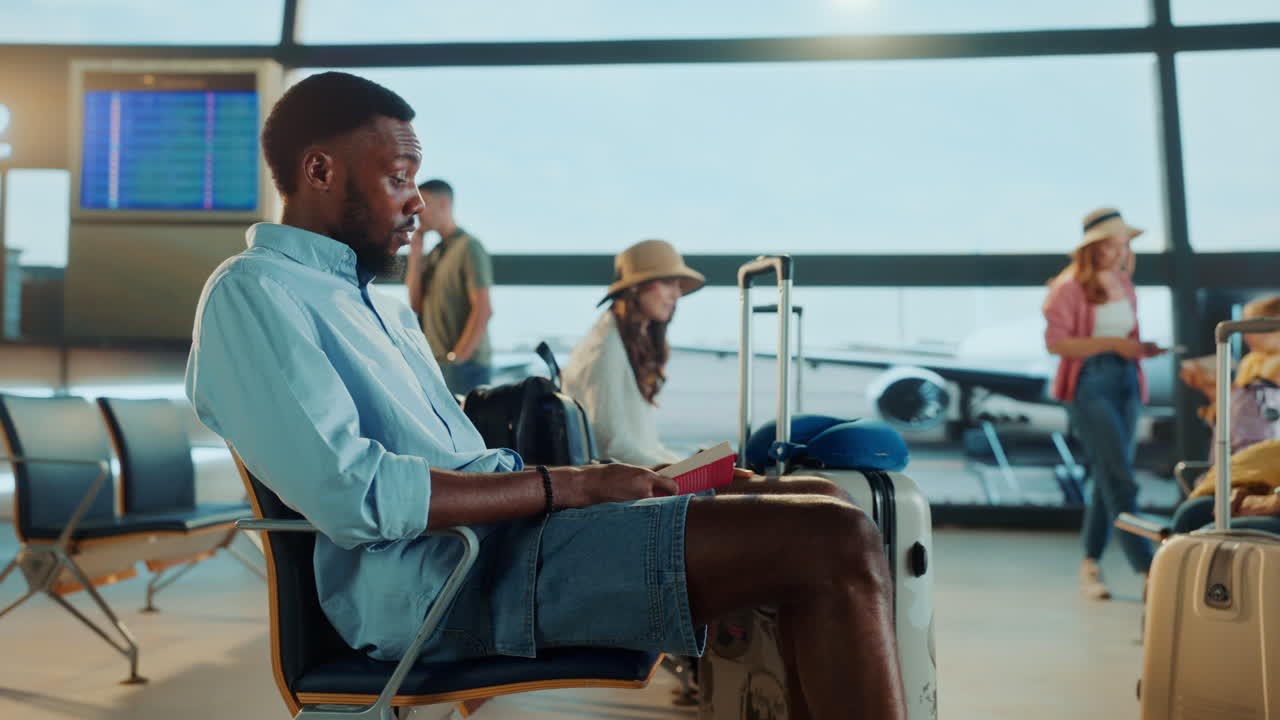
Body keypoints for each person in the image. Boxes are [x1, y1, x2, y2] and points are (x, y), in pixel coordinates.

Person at [184, 71, 906, 720]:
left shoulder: (380, 309)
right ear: (318, 170)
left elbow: (461, 469)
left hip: (504, 543)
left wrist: (606, 486)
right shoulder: (256, 294)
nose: (417, 204)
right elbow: (357, 495)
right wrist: (571, 486)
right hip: (447, 579)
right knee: (830, 540)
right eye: (400, 178)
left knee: (823, 500)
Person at [1043, 207, 1167, 600]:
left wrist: (1139, 349)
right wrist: (1114, 344)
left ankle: (1090, 564)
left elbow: (1125, 337)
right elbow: (1057, 344)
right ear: (1092, 248)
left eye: (1123, 244)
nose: (1119, 252)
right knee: (1120, 479)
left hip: (1127, 379)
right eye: (1111, 244)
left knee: (1106, 478)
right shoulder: (1067, 287)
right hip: (1090, 383)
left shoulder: (1125, 283)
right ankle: (1149, 570)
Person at [561, 239, 704, 466]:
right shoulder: (605, 349)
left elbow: (642, 447)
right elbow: (612, 449)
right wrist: (683, 471)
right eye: (668, 283)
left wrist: (688, 465)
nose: (677, 294)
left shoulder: (627, 340)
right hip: (617, 483)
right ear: (636, 288)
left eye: (678, 285)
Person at [1170, 294, 1280, 534]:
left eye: (1254, 328)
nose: (1247, 336)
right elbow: (1238, 412)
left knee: (1206, 525)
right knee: (1193, 512)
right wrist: (1210, 388)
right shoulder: (1251, 364)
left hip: (1263, 461)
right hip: (1246, 458)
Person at [405, 178, 494, 396]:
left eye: (424, 203)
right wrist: (415, 255)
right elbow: (416, 305)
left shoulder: (469, 247)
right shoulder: (435, 254)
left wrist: (457, 358)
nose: (418, 211)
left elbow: (483, 309)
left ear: (444, 203)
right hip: (438, 364)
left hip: (465, 367)